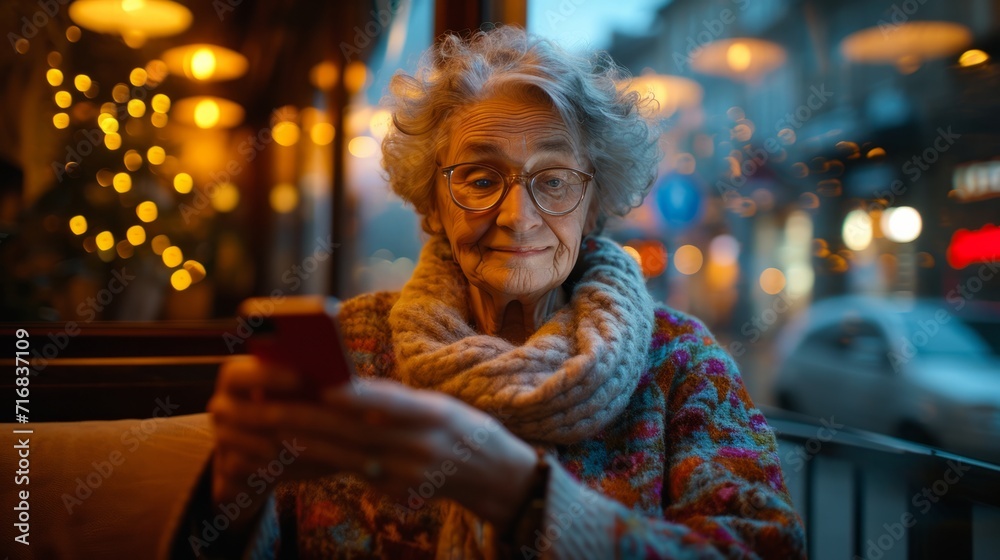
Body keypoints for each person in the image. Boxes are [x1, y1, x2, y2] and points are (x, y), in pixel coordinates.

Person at [168, 26, 806, 559]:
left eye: (554, 181)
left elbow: (763, 548)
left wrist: (521, 494)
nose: (517, 217)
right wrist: (233, 496)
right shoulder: (353, 345)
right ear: (432, 199)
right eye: (479, 177)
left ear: (594, 202)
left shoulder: (679, 361)